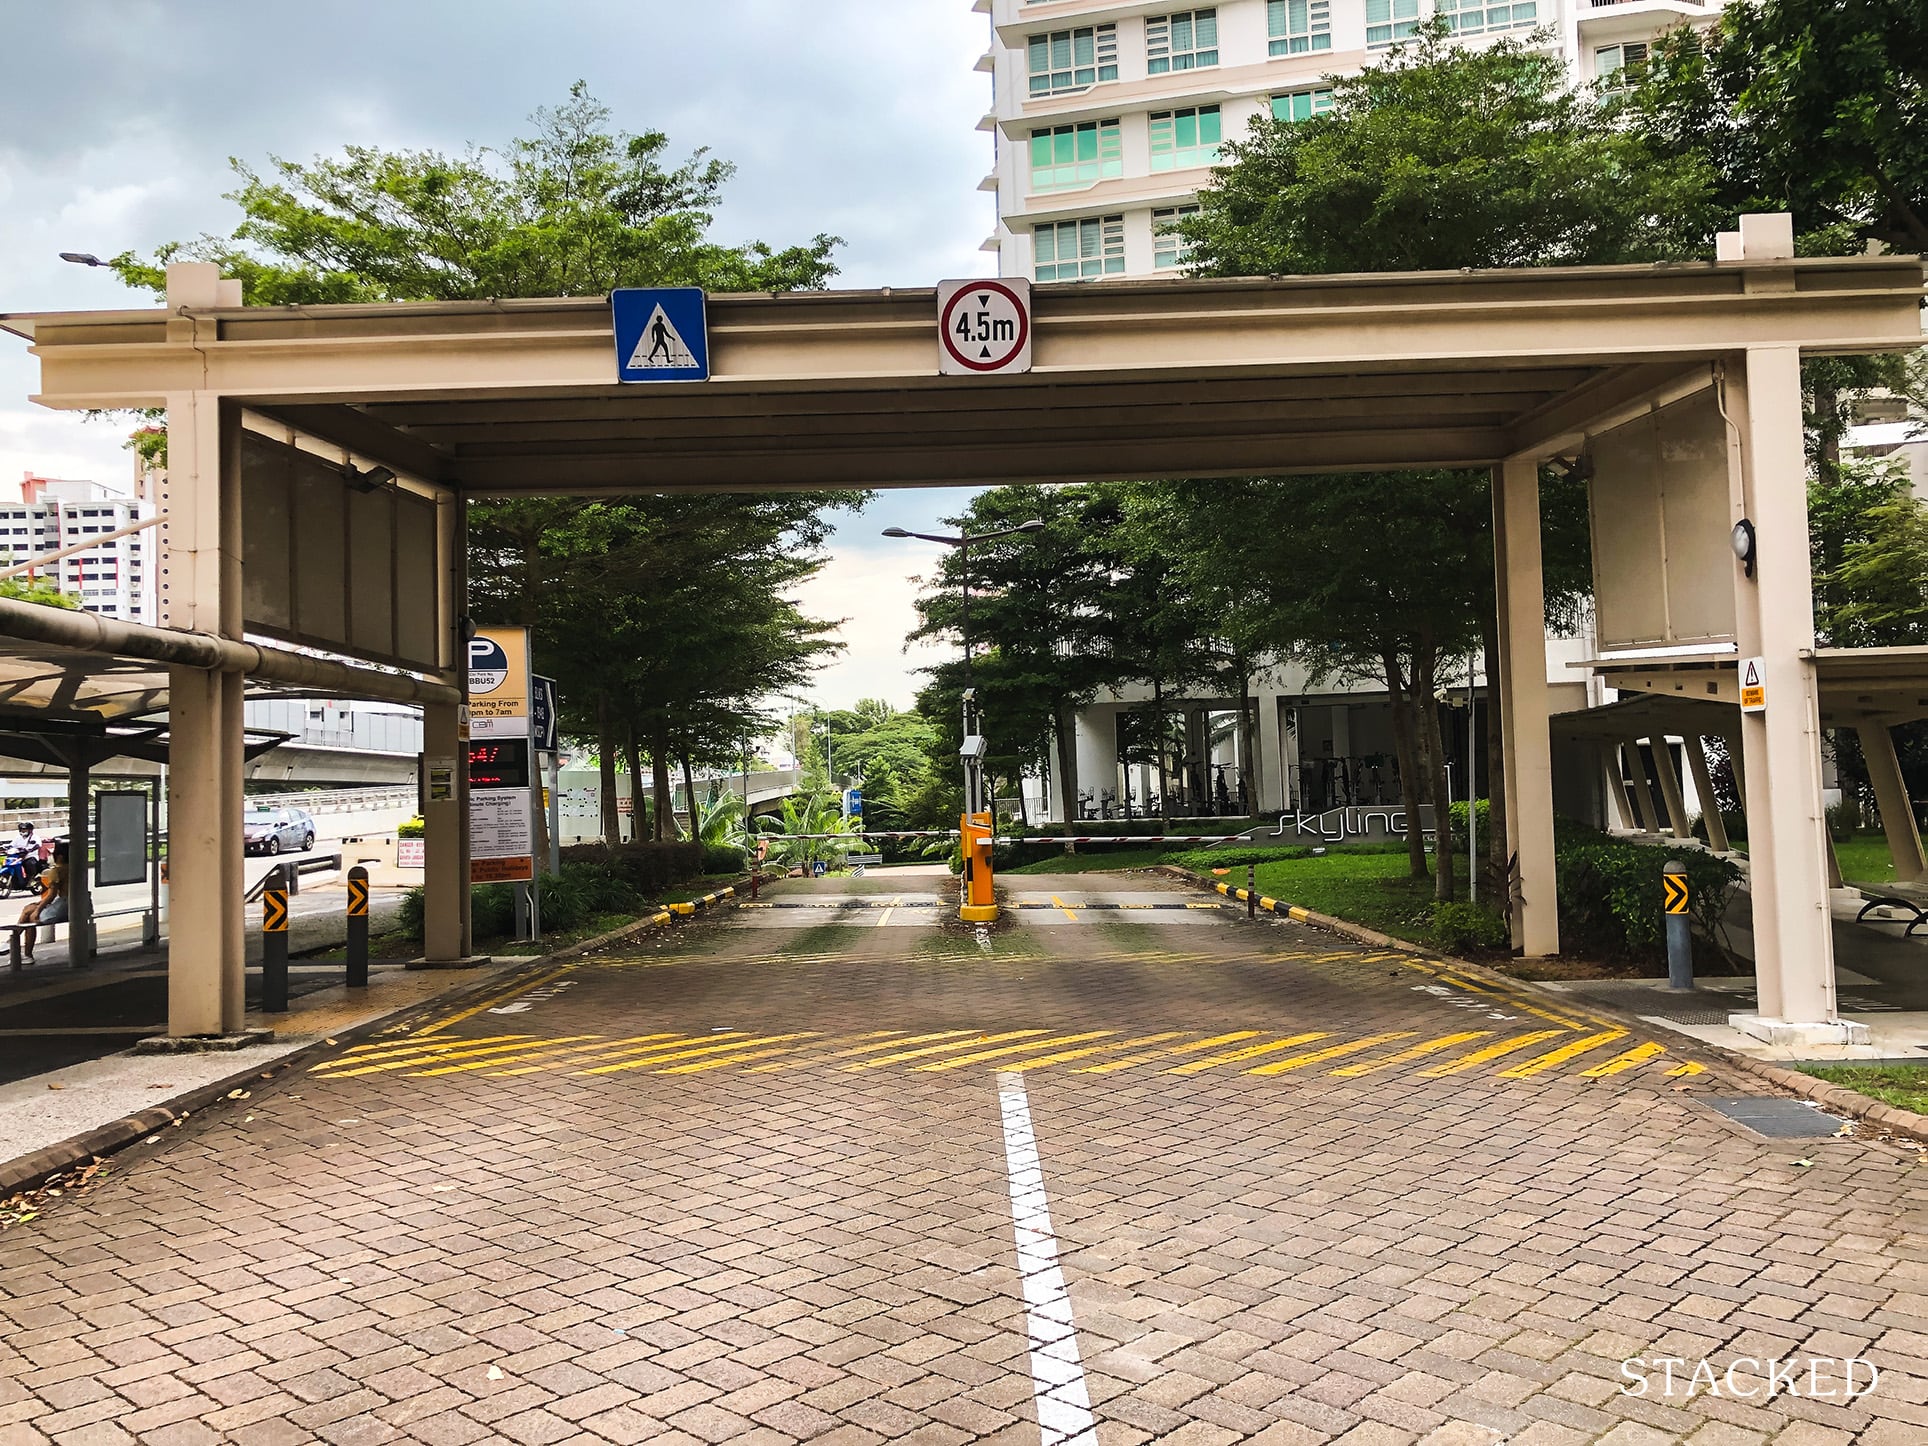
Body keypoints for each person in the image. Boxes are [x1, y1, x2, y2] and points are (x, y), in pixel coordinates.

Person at [17, 840, 68, 960]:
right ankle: (15, 943)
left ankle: (18, 944)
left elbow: (51, 896)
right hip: (78, 904)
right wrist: (37, 905)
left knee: (29, 915)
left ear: (59, 856)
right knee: (29, 909)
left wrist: (38, 910)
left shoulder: (56, 871)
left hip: (64, 906)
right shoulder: (75, 868)